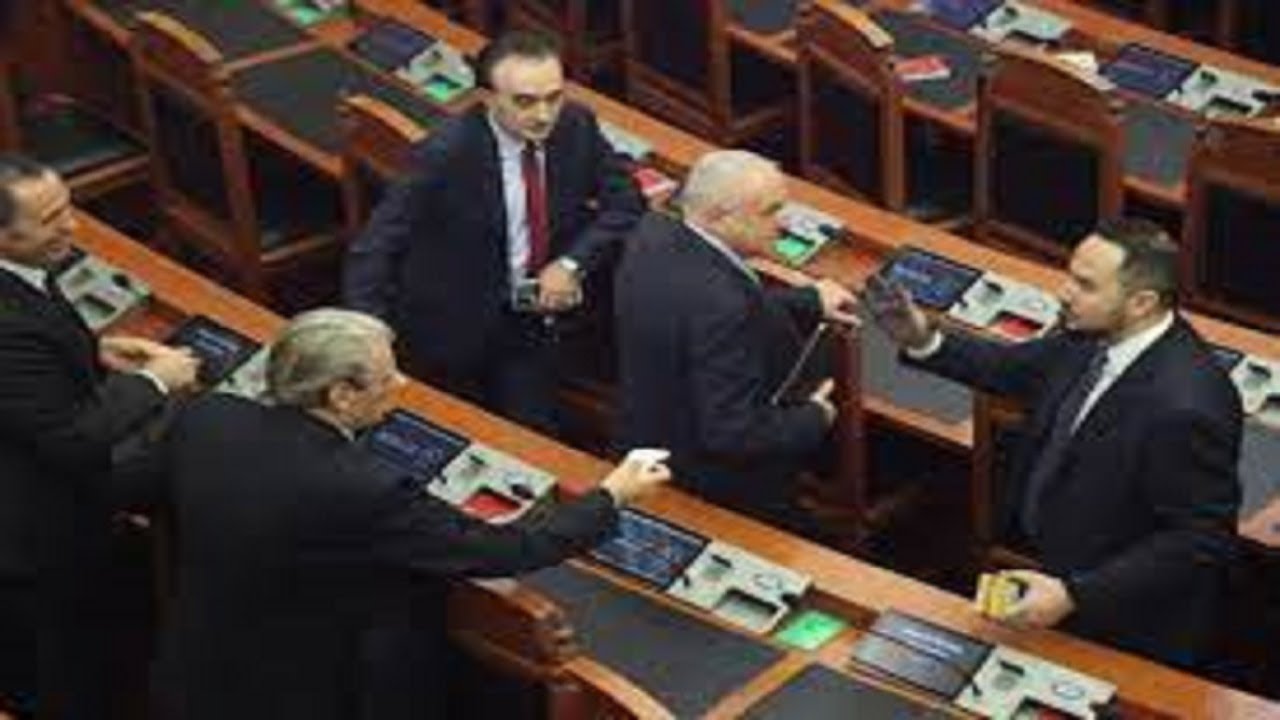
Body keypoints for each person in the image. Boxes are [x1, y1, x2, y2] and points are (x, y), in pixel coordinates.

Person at [118, 309, 670, 719]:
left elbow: (131, 488)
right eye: (387, 377)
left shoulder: (209, 417)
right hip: (295, 696)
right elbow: (503, 549)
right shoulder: (361, 487)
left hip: (191, 669)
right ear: (340, 395)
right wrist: (611, 495)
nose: (402, 384)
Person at [866, 218, 1241, 669]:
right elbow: (1010, 367)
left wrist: (1075, 594)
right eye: (1070, 276)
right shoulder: (1088, 337)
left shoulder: (1187, 406)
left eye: (1086, 285)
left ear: (1142, 302)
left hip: (1122, 620)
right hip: (1054, 569)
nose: (1065, 293)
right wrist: (923, 339)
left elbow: (1200, 539)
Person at [343, 30, 645, 433]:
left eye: (553, 98)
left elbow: (626, 202)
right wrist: (369, 336)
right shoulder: (446, 153)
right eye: (525, 101)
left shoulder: (576, 125)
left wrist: (571, 263)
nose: (543, 115)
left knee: (535, 433)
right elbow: (376, 245)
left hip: (534, 318)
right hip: (456, 322)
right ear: (486, 98)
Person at [0, 155, 200, 718]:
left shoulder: (20, 277)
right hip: (35, 538)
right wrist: (154, 382)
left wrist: (92, 352)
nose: (71, 226)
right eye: (50, 220)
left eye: (68, 208)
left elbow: (33, 348)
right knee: (65, 678)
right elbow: (72, 439)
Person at [613, 150, 858, 532]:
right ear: (718, 217)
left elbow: (701, 306)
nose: (784, 223)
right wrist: (813, 418)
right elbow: (732, 432)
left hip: (647, 435)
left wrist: (807, 300)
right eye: (770, 211)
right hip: (715, 486)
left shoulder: (654, 234)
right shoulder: (722, 305)